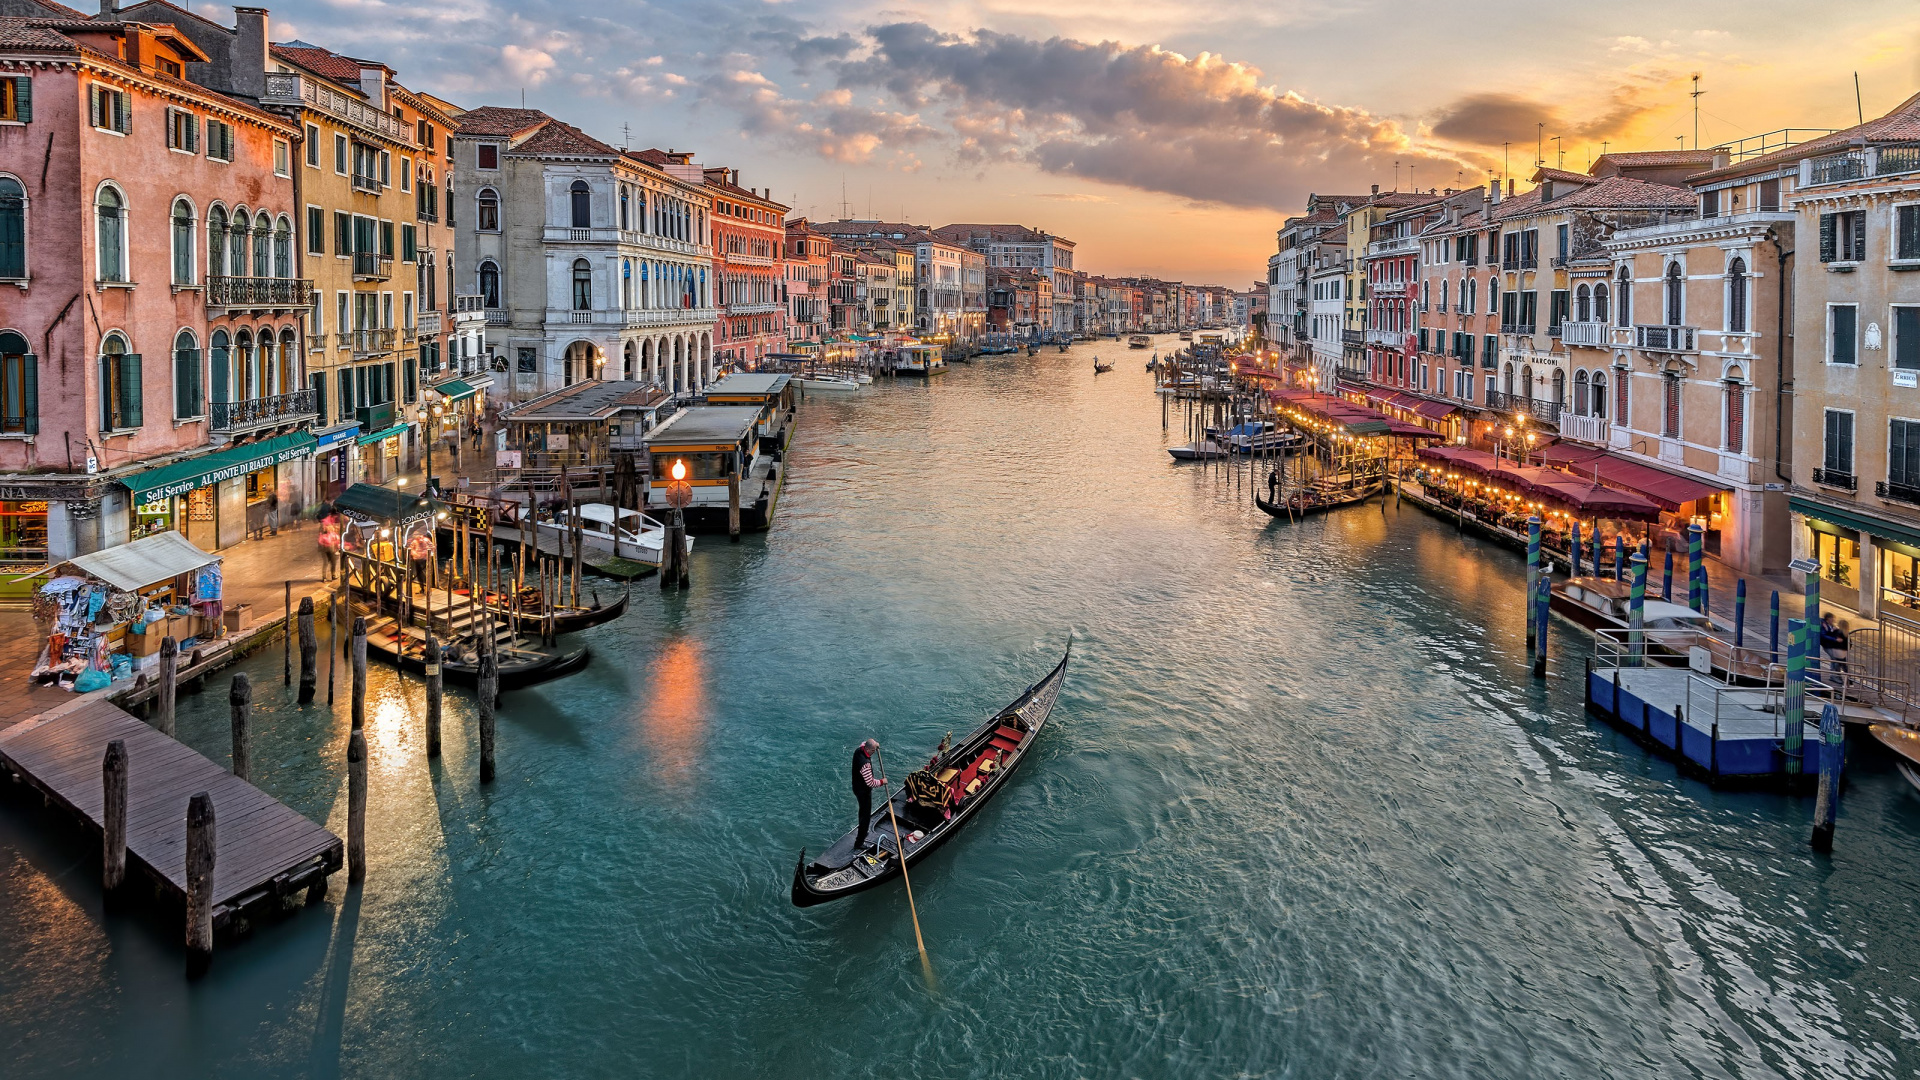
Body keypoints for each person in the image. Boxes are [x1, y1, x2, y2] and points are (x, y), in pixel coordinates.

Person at [851, 738, 886, 848]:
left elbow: (865, 743)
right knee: (865, 817)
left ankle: (863, 832)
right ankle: (859, 842)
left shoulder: (859, 750)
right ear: (870, 750)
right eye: (874, 750)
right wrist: (882, 782)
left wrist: (875, 744)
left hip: (856, 786)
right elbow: (870, 782)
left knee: (863, 813)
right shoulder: (865, 764)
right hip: (863, 792)